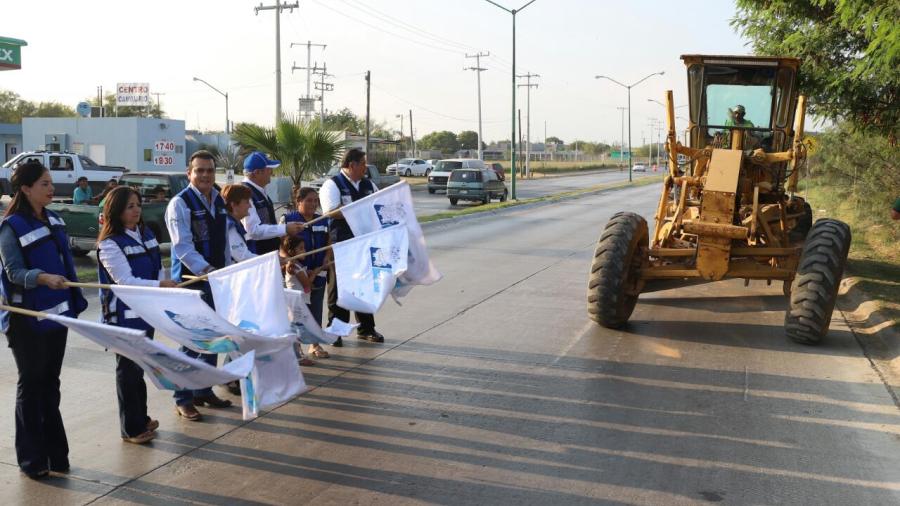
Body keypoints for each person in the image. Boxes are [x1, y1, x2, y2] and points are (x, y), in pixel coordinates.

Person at [0, 160, 88, 479]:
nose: (51, 189)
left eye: (51, 183)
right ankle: (31, 458)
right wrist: (43, 278)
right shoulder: (11, 227)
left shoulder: (55, 219)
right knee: (32, 384)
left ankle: (56, 454)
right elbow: (14, 272)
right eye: (44, 184)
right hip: (26, 320)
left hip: (56, 316)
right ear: (25, 189)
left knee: (50, 383)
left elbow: (68, 263)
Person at [97, 186, 178, 445]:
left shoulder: (146, 233)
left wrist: (164, 285)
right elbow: (124, 280)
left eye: (138, 205)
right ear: (116, 211)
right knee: (128, 371)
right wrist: (159, 286)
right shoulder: (109, 243)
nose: (136, 210)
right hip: (123, 316)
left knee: (140, 367)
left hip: (146, 312)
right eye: (130, 206)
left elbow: (159, 267)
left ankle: (141, 418)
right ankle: (130, 428)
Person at [165, 150, 233, 421]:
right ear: (189, 173)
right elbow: (182, 247)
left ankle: (203, 390)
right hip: (192, 282)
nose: (205, 175)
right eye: (199, 170)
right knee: (191, 342)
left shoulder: (218, 200)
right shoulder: (179, 204)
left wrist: (225, 272)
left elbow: (224, 242)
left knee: (213, 337)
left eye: (209, 170)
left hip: (216, 279)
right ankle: (183, 398)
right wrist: (207, 271)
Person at [320, 148, 385, 345]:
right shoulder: (332, 185)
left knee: (364, 286)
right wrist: (359, 209)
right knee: (339, 289)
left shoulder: (368, 184)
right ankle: (336, 330)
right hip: (341, 244)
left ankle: (366, 328)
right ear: (352, 165)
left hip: (364, 243)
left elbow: (377, 205)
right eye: (363, 164)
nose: (366, 168)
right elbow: (331, 212)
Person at [281, 187, 332, 362]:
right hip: (296, 275)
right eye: (309, 200)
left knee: (316, 311)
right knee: (295, 314)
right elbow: (280, 246)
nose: (313, 204)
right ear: (299, 202)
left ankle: (314, 344)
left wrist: (326, 258)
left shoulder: (322, 220)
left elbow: (328, 242)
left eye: (315, 200)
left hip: (318, 273)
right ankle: (296, 350)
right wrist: (289, 261)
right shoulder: (288, 220)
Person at [241, 151, 304, 255]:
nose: (271, 172)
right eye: (269, 169)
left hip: (266, 253)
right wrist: (285, 228)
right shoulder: (245, 193)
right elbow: (253, 231)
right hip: (257, 255)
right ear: (257, 172)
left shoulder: (258, 190)